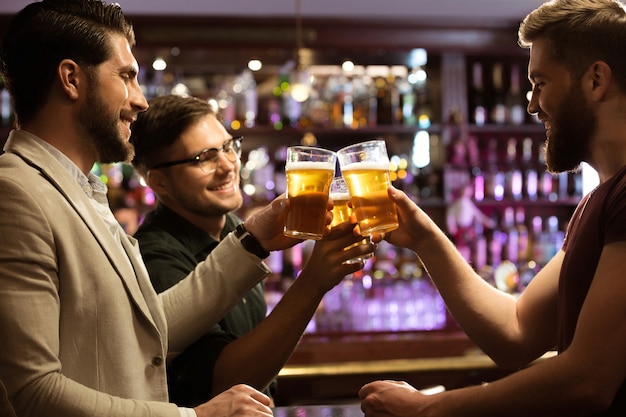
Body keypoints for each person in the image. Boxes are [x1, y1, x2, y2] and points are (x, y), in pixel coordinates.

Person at [0, 1, 306, 416]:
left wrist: (254, 241)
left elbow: (142, 332)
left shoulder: (76, 189)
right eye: (127, 77)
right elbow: (35, 391)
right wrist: (194, 416)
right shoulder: (14, 192)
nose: (141, 101)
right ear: (71, 79)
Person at [359, 0, 626, 416]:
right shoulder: (599, 200)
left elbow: (587, 380)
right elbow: (516, 333)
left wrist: (427, 409)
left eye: (540, 82)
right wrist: (426, 239)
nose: (533, 105)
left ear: (596, 80)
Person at [129, 94, 375, 407]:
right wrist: (314, 281)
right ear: (160, 183)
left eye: (228, 146)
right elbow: (222, 384)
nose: (228, 165)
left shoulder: (235, 228)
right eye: (204, 158)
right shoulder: (157, 256)